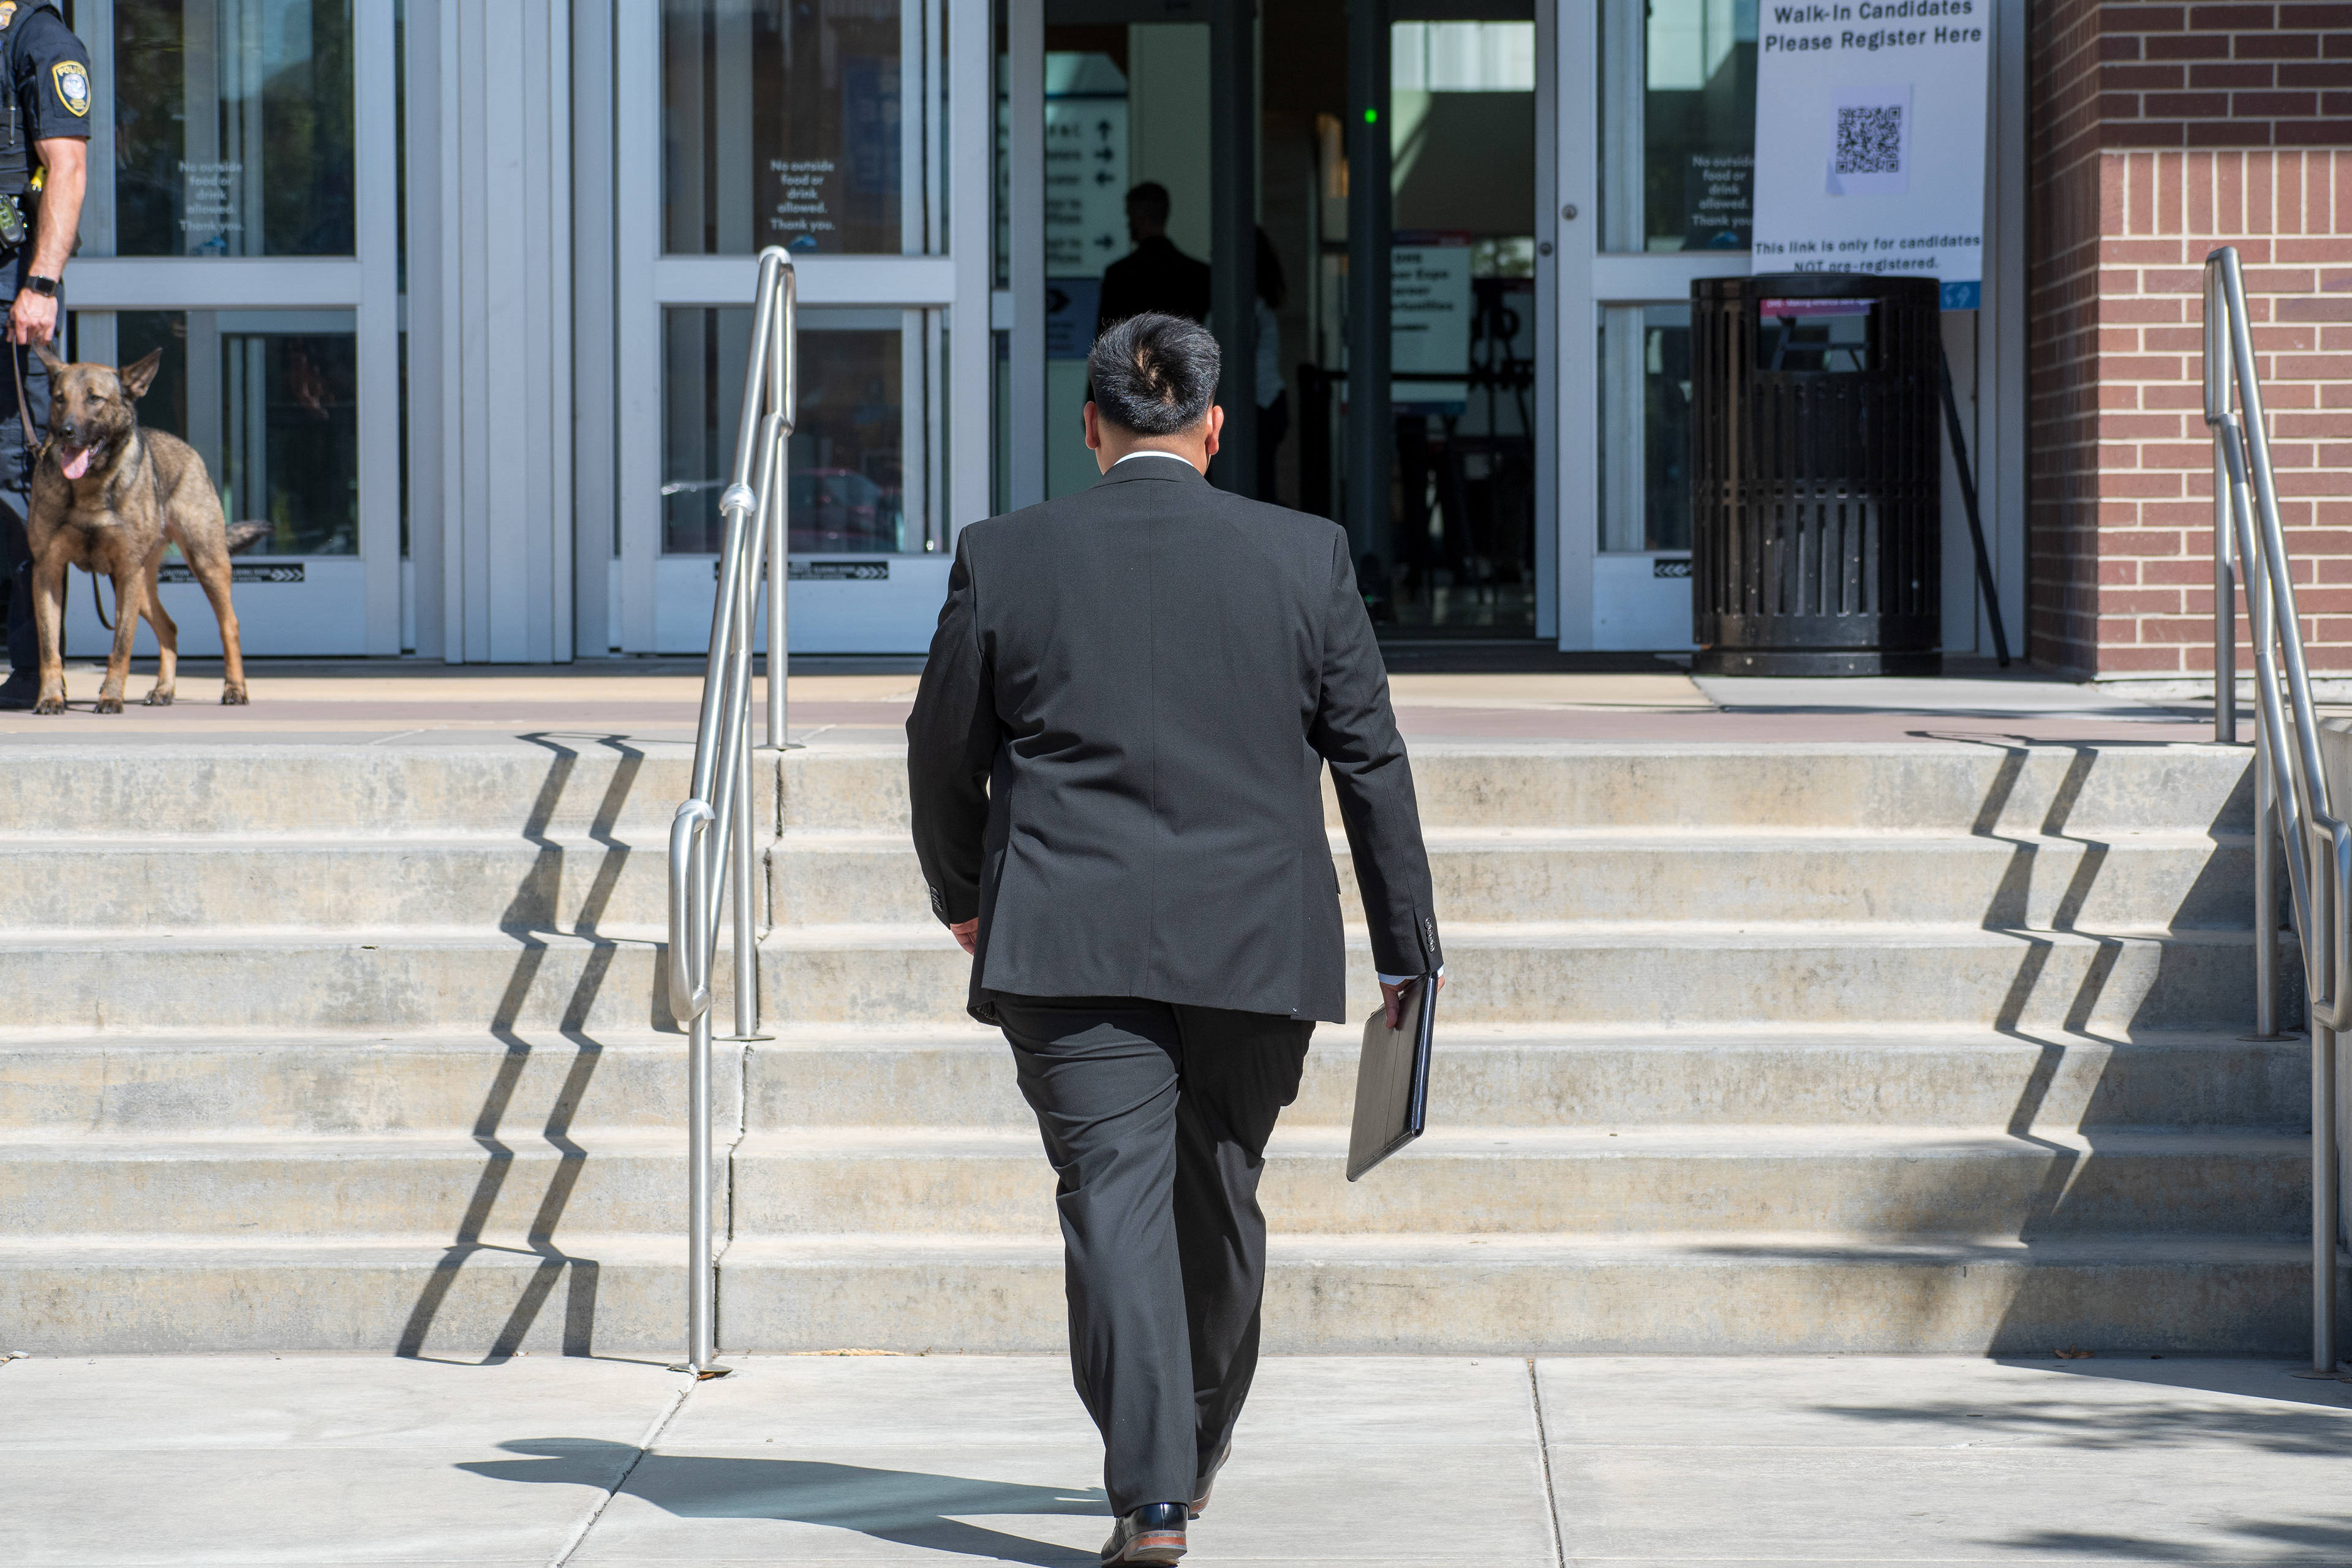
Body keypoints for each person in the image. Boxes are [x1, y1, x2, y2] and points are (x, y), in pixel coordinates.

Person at [906, 312, 1442, 1567]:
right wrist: (1406, 946)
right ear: (1212, 427)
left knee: (1114, 1203)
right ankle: (1179, 1464)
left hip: (1064, 934)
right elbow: (1371, 759)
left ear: (1089, 426)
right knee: (1220, 1193)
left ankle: (1154, 1482)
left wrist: (960, 891)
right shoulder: (1303, 557)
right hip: (1258, 942)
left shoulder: (1007, 554)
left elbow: (940, 748)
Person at [0, 0, 86, 709]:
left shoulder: (41, 40)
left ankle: (34, 670)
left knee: (18, 479)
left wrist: (39, 283)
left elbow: (68, 165)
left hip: (10, 297)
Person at [1095, 183, 1210, 333]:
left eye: (1129, 217)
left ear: (1140, 219)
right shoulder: (1199, 275)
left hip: (1133, 355)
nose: (1128, 225)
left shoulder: (1119, 275)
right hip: (1183, 356)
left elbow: (1105, 338)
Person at [1251, 227, 1287, 503]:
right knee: (1262, 488)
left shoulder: (1248, 304)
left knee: (1257, 490)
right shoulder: (1263, 299)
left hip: (1258, 405)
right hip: (1268, 400)